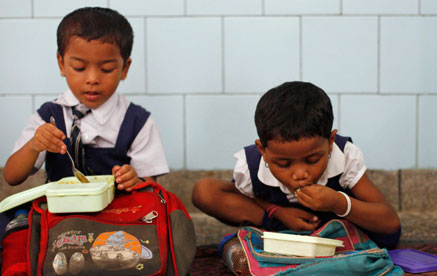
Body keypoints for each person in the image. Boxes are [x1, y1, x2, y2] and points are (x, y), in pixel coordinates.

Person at [192, 81, 401, 249]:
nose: (300, 174)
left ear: (330, 142)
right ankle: (282, 234)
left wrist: (338, 203)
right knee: (204, 191)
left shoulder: (343, 156)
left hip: (339, 226)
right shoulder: (253, 165)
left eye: (313, 160)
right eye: (283, 163)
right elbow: (219, 195)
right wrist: (277, 212)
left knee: (385, 238)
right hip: (278, 223)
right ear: (262, 150)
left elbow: (390, 223)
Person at [3, 7, 169, 192]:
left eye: (106, 69)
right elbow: (11, 177)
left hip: (119, 216)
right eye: (79, 67)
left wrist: (135, 181)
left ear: (125, 69)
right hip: (62, 216)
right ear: (62, 64)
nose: (92, 79)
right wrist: (34, 145)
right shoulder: (49, 116)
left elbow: (151, 188)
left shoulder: (138, 122)